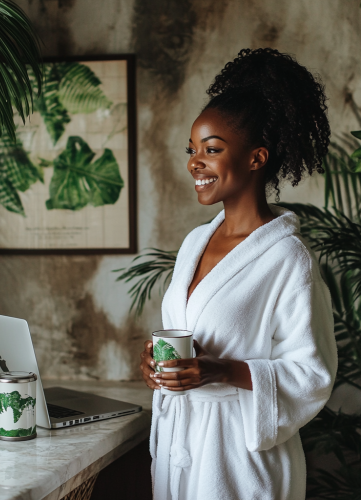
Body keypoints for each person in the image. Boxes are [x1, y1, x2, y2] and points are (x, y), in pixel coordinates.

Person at [139, 48, 337, 500]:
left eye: (212, 150)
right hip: (181, 445)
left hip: (238, 460)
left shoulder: (289, 258)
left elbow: (312, 374)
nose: (195, 163)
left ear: (256, 158)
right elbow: (187, 329)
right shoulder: (195, 243)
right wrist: (154, 360)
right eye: (192, 150)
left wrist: (222, 371)